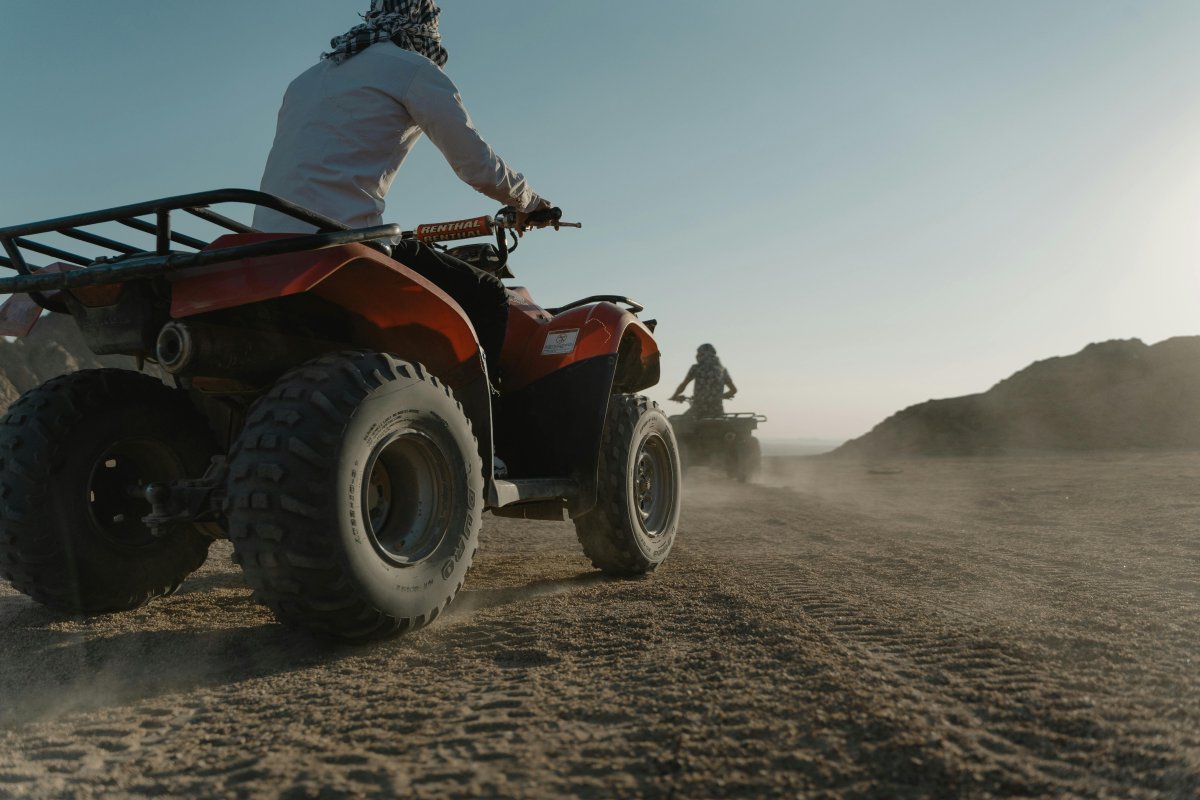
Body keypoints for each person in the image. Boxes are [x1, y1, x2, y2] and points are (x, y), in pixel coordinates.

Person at [251, 0, 553, 382]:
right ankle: (475, 431)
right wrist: (529, 201)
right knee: (487, 295)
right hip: (345, 241)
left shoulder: (306, 80)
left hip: (266, 244)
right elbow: (476, 165)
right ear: (425, 25)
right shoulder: (412, 70)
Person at [670, 344, 737, 418]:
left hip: (698, 411)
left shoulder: (696, 368)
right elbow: (733, 390)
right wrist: (721, 396)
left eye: (699, 353)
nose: (697, 356)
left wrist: (674, 396)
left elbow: (683, 385)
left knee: (675, 425)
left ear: (704, 355)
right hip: (717, 412)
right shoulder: (722, 370)